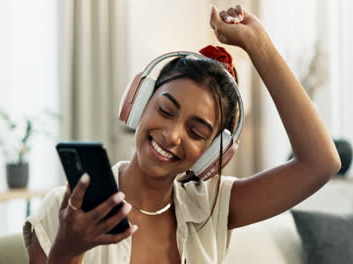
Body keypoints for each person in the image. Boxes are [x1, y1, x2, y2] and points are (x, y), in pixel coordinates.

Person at [23, 4, 341, 264]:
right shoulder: (66, 210)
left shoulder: (213, 207)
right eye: (165, 110)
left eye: (196, 131)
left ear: (216, 151)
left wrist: (259, 46)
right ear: (138, 103)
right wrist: (68, 248)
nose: (173, 135)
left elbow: (321, 163)